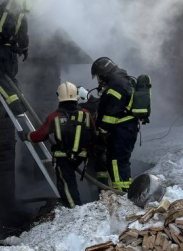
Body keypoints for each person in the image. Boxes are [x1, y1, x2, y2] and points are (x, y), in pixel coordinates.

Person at [19, 81, 95, 208]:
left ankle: (74, 209)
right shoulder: (86, 114)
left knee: (66, 183)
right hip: (82, 156)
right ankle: (75, 206)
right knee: (69, 181)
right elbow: (93, 133)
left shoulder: (54, 117)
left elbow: (40, 135)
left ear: (59, 96)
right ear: (76, 96)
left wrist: (27, 135)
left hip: (64, 158)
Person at [89, 57, 138, 191]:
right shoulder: (124, 81)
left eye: (99, 76)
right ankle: (123, 193)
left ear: (104, 73)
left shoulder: (116, 85)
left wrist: (102, 133)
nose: (100, 80)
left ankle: (121, 194)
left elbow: (111, 114)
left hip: (121, 130)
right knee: (120, 161)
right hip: (126, 129)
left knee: (117, 162)